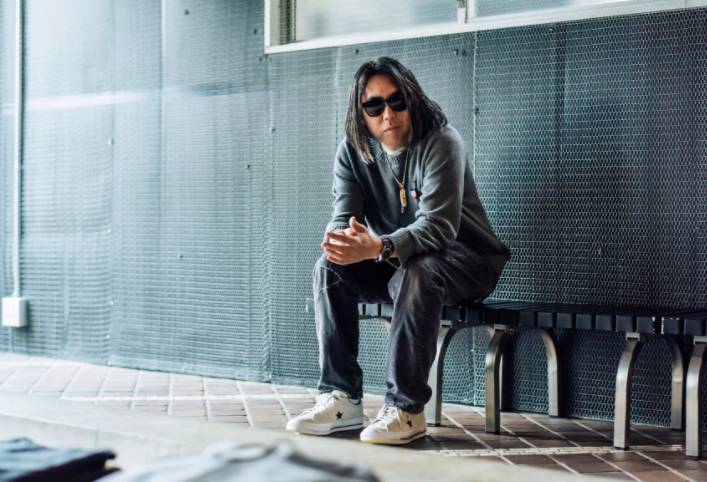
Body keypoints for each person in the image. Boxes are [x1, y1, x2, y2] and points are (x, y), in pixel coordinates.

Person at [286, 57, 510, 445]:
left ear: (412, 99)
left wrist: (380, 246)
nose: (387, 114)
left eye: (396, 101)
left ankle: (406, 408)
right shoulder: (352, 152)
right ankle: (342, 398)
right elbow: (342, 216)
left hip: (467, 262)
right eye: (374, 106)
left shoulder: (441, 141)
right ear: (361, 114)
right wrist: (343, 242)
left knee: (418, 271)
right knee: (329, 267)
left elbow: (439, 226)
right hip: (400, 262)